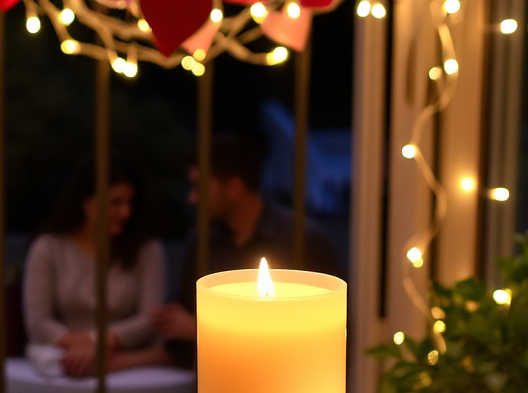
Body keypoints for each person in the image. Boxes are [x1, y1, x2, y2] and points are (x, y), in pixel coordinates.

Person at [151, 132, 342, 346]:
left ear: (234, 188)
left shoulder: (303, 240)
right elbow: (182, 326)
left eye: (200, 186)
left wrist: (199, 329)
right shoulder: (201, 242)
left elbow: (330, 329)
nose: (192, 197)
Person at [22, 159, 170, 377]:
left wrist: (97, 343)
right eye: (116, 202)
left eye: (130, 203)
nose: (126, 212)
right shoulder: (49, 247)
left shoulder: (147, 249)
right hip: (67, 361)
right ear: (86, 201)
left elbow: (151, 319)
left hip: (128, 367)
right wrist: (79, 346)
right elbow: (37, 322)